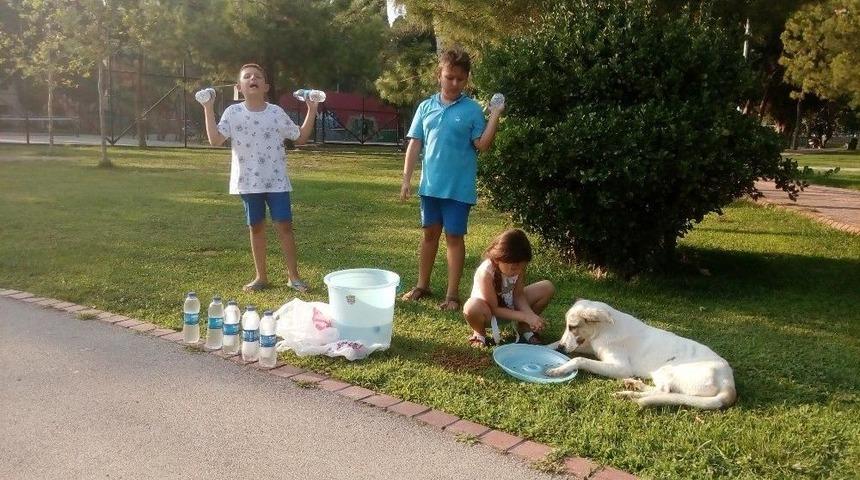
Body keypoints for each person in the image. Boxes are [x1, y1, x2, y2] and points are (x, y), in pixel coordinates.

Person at [399, 48, 504, 311]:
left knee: (454, 239)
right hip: (430, 187)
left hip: (458, 190)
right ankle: (422, 285)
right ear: (439, 76)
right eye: (449, 77)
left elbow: (482, 145)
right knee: (429, 235)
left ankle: (452, 295)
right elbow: (415, 144)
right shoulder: (425, 107)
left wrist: (494, 115)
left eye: (460, 79)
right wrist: (406, 179)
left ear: (466, 79)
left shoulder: (471, 110)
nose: (454, 83)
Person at [201, 63, 318, 293]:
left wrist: (311, 109)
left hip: (276, 182)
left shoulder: (275, 112)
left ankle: (293, 277)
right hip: (248, 183)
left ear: (266, 86)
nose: (252, 78)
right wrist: (208, 107)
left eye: (257, 76)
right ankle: (261, 277)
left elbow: (301, 137)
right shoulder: (232, 113)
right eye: (247, 76)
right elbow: (215, 140)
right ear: (239, 87)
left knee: (284, 226)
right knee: (256, 228)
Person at [462, 229, 555, 348]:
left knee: (547, 287)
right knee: (471, 307)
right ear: (497, 259)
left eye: (521, 268)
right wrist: (525, 316)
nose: (518, 272)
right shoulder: (486, 272)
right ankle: (480, 333)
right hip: (489, 314)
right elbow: (494, 309)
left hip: (511, 306)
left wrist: (530, 315)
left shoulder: (518, 267)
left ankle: (525, 327)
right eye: (514, 268)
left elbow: (519, 295)